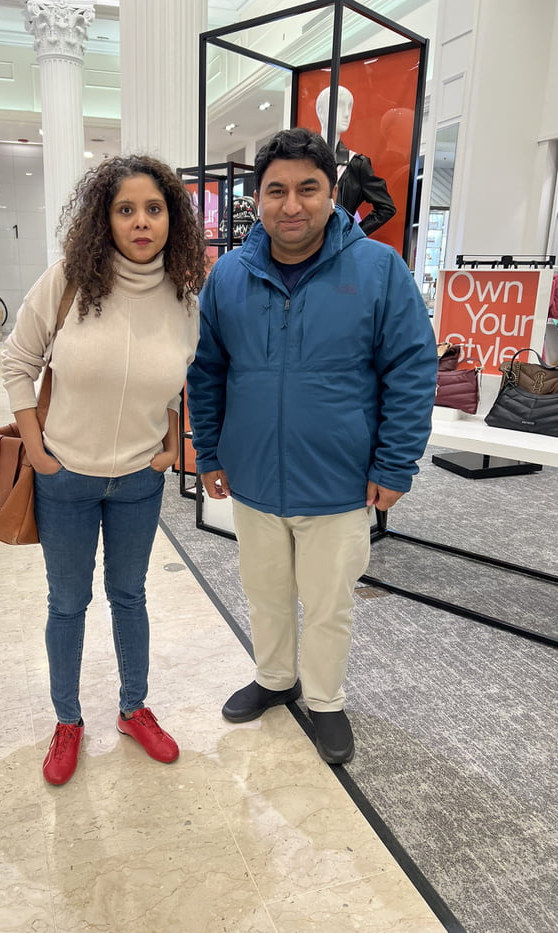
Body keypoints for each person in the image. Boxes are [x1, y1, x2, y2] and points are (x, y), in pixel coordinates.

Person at [187, 128, 437, 765]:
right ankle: (276, 678)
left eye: (308, 189)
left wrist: (395, 462)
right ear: (257, 199)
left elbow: (411, 367)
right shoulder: (230, 276)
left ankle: (325, 700)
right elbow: (207, 370)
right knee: (265, 590)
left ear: (333, 194)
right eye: (276, 191)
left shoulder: (378, 269)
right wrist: (209, 453)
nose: (290, 205)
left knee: (328, 603)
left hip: (340, 477)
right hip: (253, 477)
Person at [2, 154, 206, 785]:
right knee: (68, 603)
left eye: (154, 208)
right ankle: (68, 721)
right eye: (126, 210)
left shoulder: (181, 298)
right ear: (105, 219)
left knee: (130, 595)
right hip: (66, 476)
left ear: (171, 218)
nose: (141, 221)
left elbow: (179, 382)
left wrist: (171, 446)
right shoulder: (69, 281)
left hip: (139, 483)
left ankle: (133, 707)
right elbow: (17, 361)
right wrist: (37, 451)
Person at [315, 85, 396, 235]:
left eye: (349, 107)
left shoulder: (356, 164)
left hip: (338, 249)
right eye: (340, 106)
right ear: (321, 111)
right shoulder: (303, 159)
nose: (346, 114)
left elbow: (386, 208)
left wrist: (353, 234)